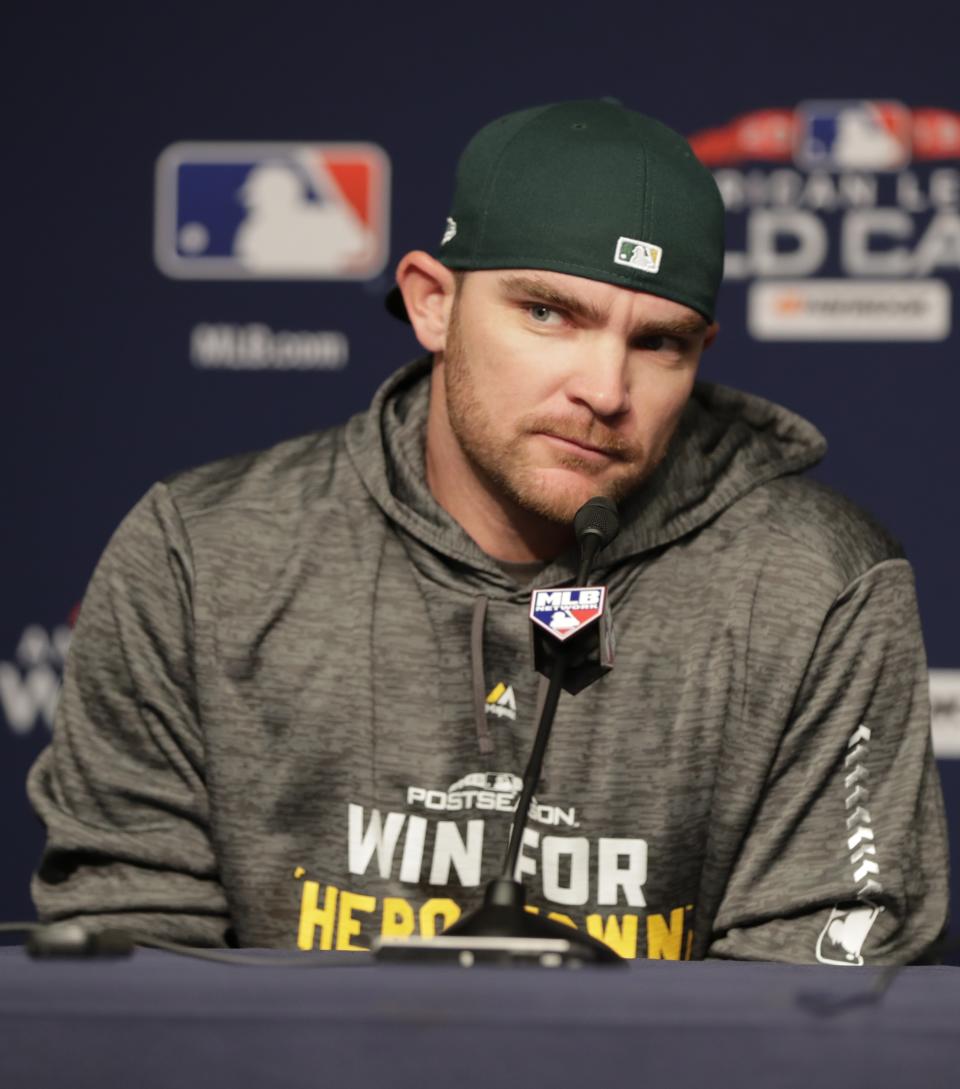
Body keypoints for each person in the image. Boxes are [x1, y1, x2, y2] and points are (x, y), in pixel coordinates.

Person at [27, 100, 948, 964]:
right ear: (433, 302)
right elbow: (132, 968)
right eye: (548, 313)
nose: (605, 390)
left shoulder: (816, 585)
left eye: (656, 341)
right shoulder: (203, 556)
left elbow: (818, 1001)